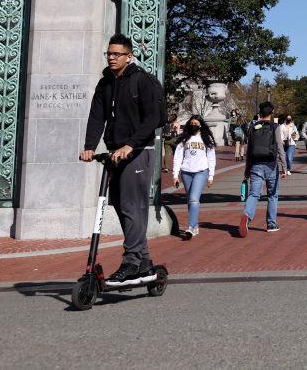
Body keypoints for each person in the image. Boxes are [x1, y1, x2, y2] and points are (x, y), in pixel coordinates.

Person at [80, 33, 161, 287]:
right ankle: (144, 261)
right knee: (120, 205)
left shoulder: (144, 81)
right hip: (115, 152)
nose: (112, 58)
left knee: (132, 207)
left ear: (129, 56)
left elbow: (154, 119)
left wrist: (130, 144)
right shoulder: (105, 83)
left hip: (138, 151)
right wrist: (90, 147)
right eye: (109, 53)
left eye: (117, 54)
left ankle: (132, 262)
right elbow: (96, 116)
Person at [239, 102, 288, 237]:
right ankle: (271, 223)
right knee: (272, 195)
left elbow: (249, 150)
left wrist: (247, 169)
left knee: (254, 194)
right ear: (272, 113)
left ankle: (246, 215)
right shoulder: (275, 127)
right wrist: (285, 167)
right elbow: (279, 147)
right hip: (271, 165)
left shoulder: (253, 127)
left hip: (255, 164)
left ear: (260, 113)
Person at [171, 115, 216, 239]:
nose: (193, 125)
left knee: (194, 199)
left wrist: (211, 175)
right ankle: (195, 226)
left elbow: (211, 157)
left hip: (201, 171)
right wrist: (175, 175)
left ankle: (190, 227)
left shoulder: (206, 138)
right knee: (190, 200)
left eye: (196, 123)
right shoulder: (184, 139)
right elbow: (178, 157)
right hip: (186, 172)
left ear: (200, 124)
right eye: (191, 123)